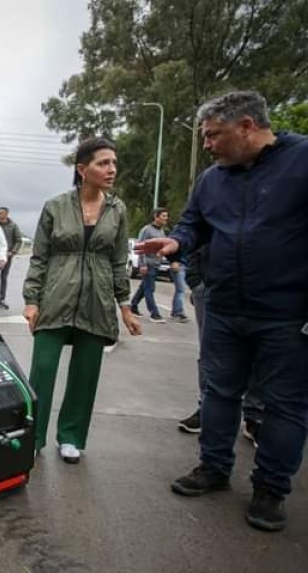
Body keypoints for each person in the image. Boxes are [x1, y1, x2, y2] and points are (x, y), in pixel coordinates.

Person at [136, 91, 308, 532]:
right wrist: (178, 244)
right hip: (225, 307)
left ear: (247, 126)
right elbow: (193, 224)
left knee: (285, 406)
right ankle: (213, 468)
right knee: (218, 391)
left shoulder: (301, 161)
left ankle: (270, 489)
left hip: (287, 314)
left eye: (214, 135)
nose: (208, 145)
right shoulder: (212, 179)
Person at [23, 137, 142, 463]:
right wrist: (32, 299)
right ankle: (32, 438)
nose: (112, 169)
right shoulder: (55, 206)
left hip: (97, 301)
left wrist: (126, 308)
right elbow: (39, 257)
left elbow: (119, 262)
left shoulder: (117, 209)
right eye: (104, 163)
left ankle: (71, 437)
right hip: (55, 298)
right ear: (82, 169)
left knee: (86, 372)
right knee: (43, 369)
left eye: (114, 163)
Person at [178, 246, 263, 441]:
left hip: (259, 287)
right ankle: (206, 410)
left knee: (258, 353)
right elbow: (195, 234)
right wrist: (196, 282)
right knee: (210, 354)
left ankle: (254, 416)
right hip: (211, 286)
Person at [129, 208, 168, 323]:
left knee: (144, 288)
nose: (166, 219)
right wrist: (142, 264)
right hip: (147, 264)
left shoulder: (161, 232)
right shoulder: (147, 230)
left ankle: (133, 306)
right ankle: (154, 314)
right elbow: (140, 247)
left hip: (155, 265)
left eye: (166, 216)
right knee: (149, 289)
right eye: (163, 216)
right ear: (156, 217)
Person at [0, 207, 24, 310]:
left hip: (7, 255)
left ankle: (2, 299)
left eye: (0, 213)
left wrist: (12, 252)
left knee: (4, 277)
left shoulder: (13, 226)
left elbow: (19, 240)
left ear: (6, 214)